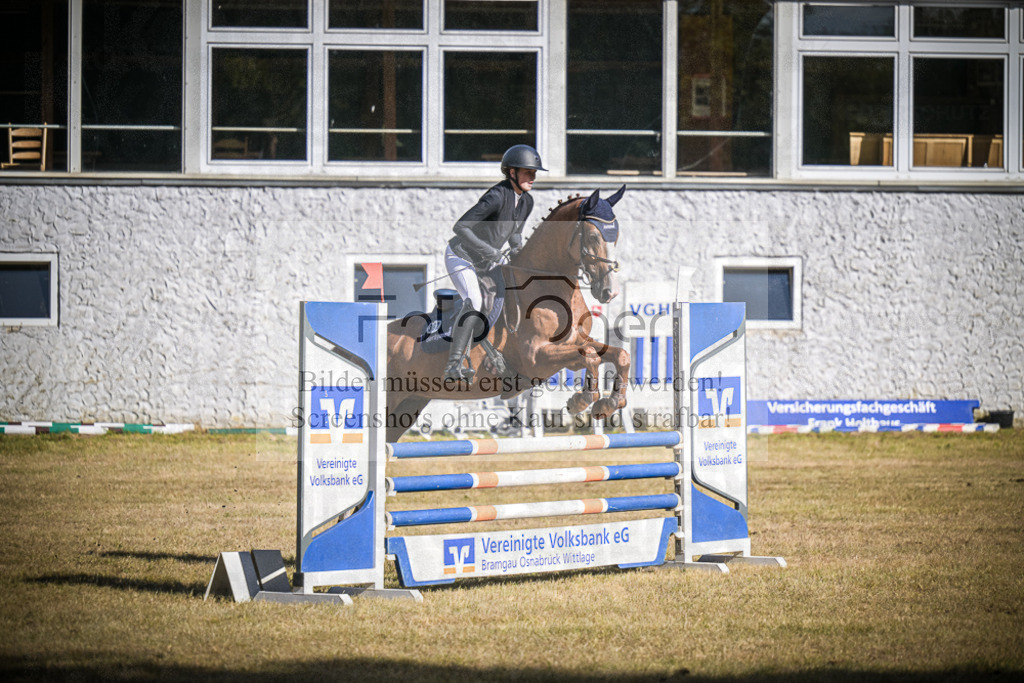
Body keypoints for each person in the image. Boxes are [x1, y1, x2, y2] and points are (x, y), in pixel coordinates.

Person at [443, 144, 547, 382]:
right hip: (461, 256)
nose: (532, 177)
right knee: (474, 300)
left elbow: (515, 234)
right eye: (527, 172)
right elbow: (460, 227)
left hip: (487, 263)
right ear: (512, 172)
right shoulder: (496, 196)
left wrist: (521, 253)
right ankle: (453, 363)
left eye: (534, 172)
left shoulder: (527, 201)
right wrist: (492, 252)